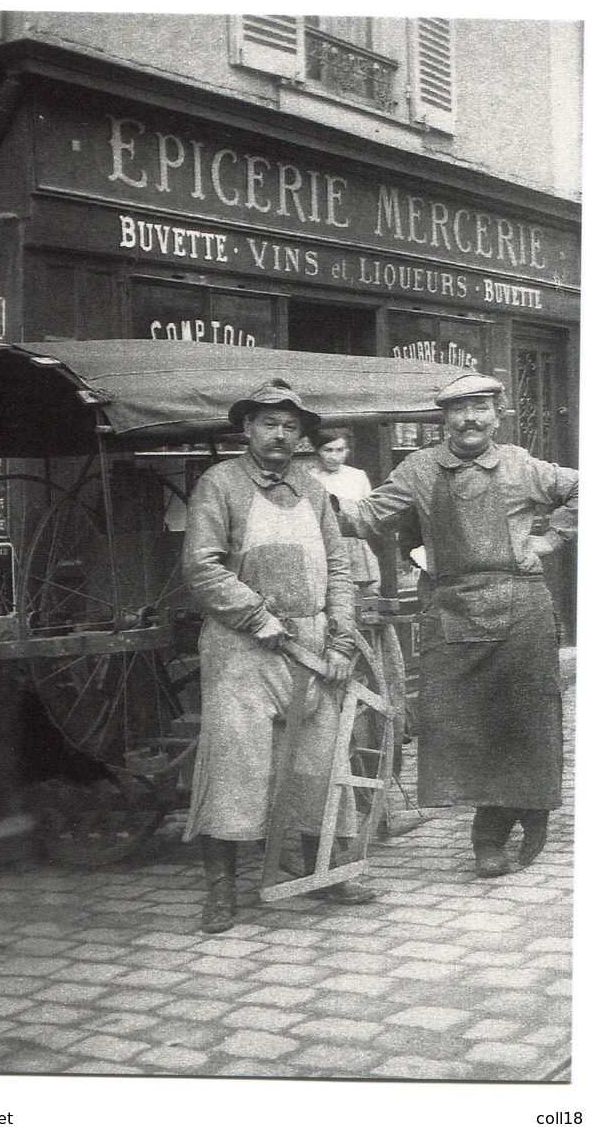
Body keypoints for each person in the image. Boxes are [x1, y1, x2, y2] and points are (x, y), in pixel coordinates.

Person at [337, 372, 578, 878]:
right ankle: (513, 810)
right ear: (442, 417)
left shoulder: (520, 465)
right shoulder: (419, 469)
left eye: (481, 408)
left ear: (497, 414)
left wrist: (553, 537)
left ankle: (497, 830)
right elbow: (367, 516)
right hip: (452, 613)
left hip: (522, 612)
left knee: (526, 725)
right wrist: (310, 499)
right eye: (458, 409)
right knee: (459, 732)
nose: (470, 419)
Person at [181, 378, 376, 933]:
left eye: (292, 427)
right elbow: (202, 566)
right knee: (235, 766)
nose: (281, 435)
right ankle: (221, 890)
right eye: (269, 423)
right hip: (242, 648)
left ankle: (328, 872)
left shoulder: (314, 490)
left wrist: (340, 639)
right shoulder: (219, 485)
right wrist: (256, 616)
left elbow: (338, 568)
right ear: (247, 428)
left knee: (320, 762)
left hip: (311, 647)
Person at [308, 428, 382, 593]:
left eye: (340, 450)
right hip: (324, 545)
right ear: (317, 451)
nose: (334, 456)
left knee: (366, 593)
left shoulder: (357, 476)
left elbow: (367, 512)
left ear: (347, 451)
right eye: (328, 450)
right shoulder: (310, 478)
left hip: (356, 545)